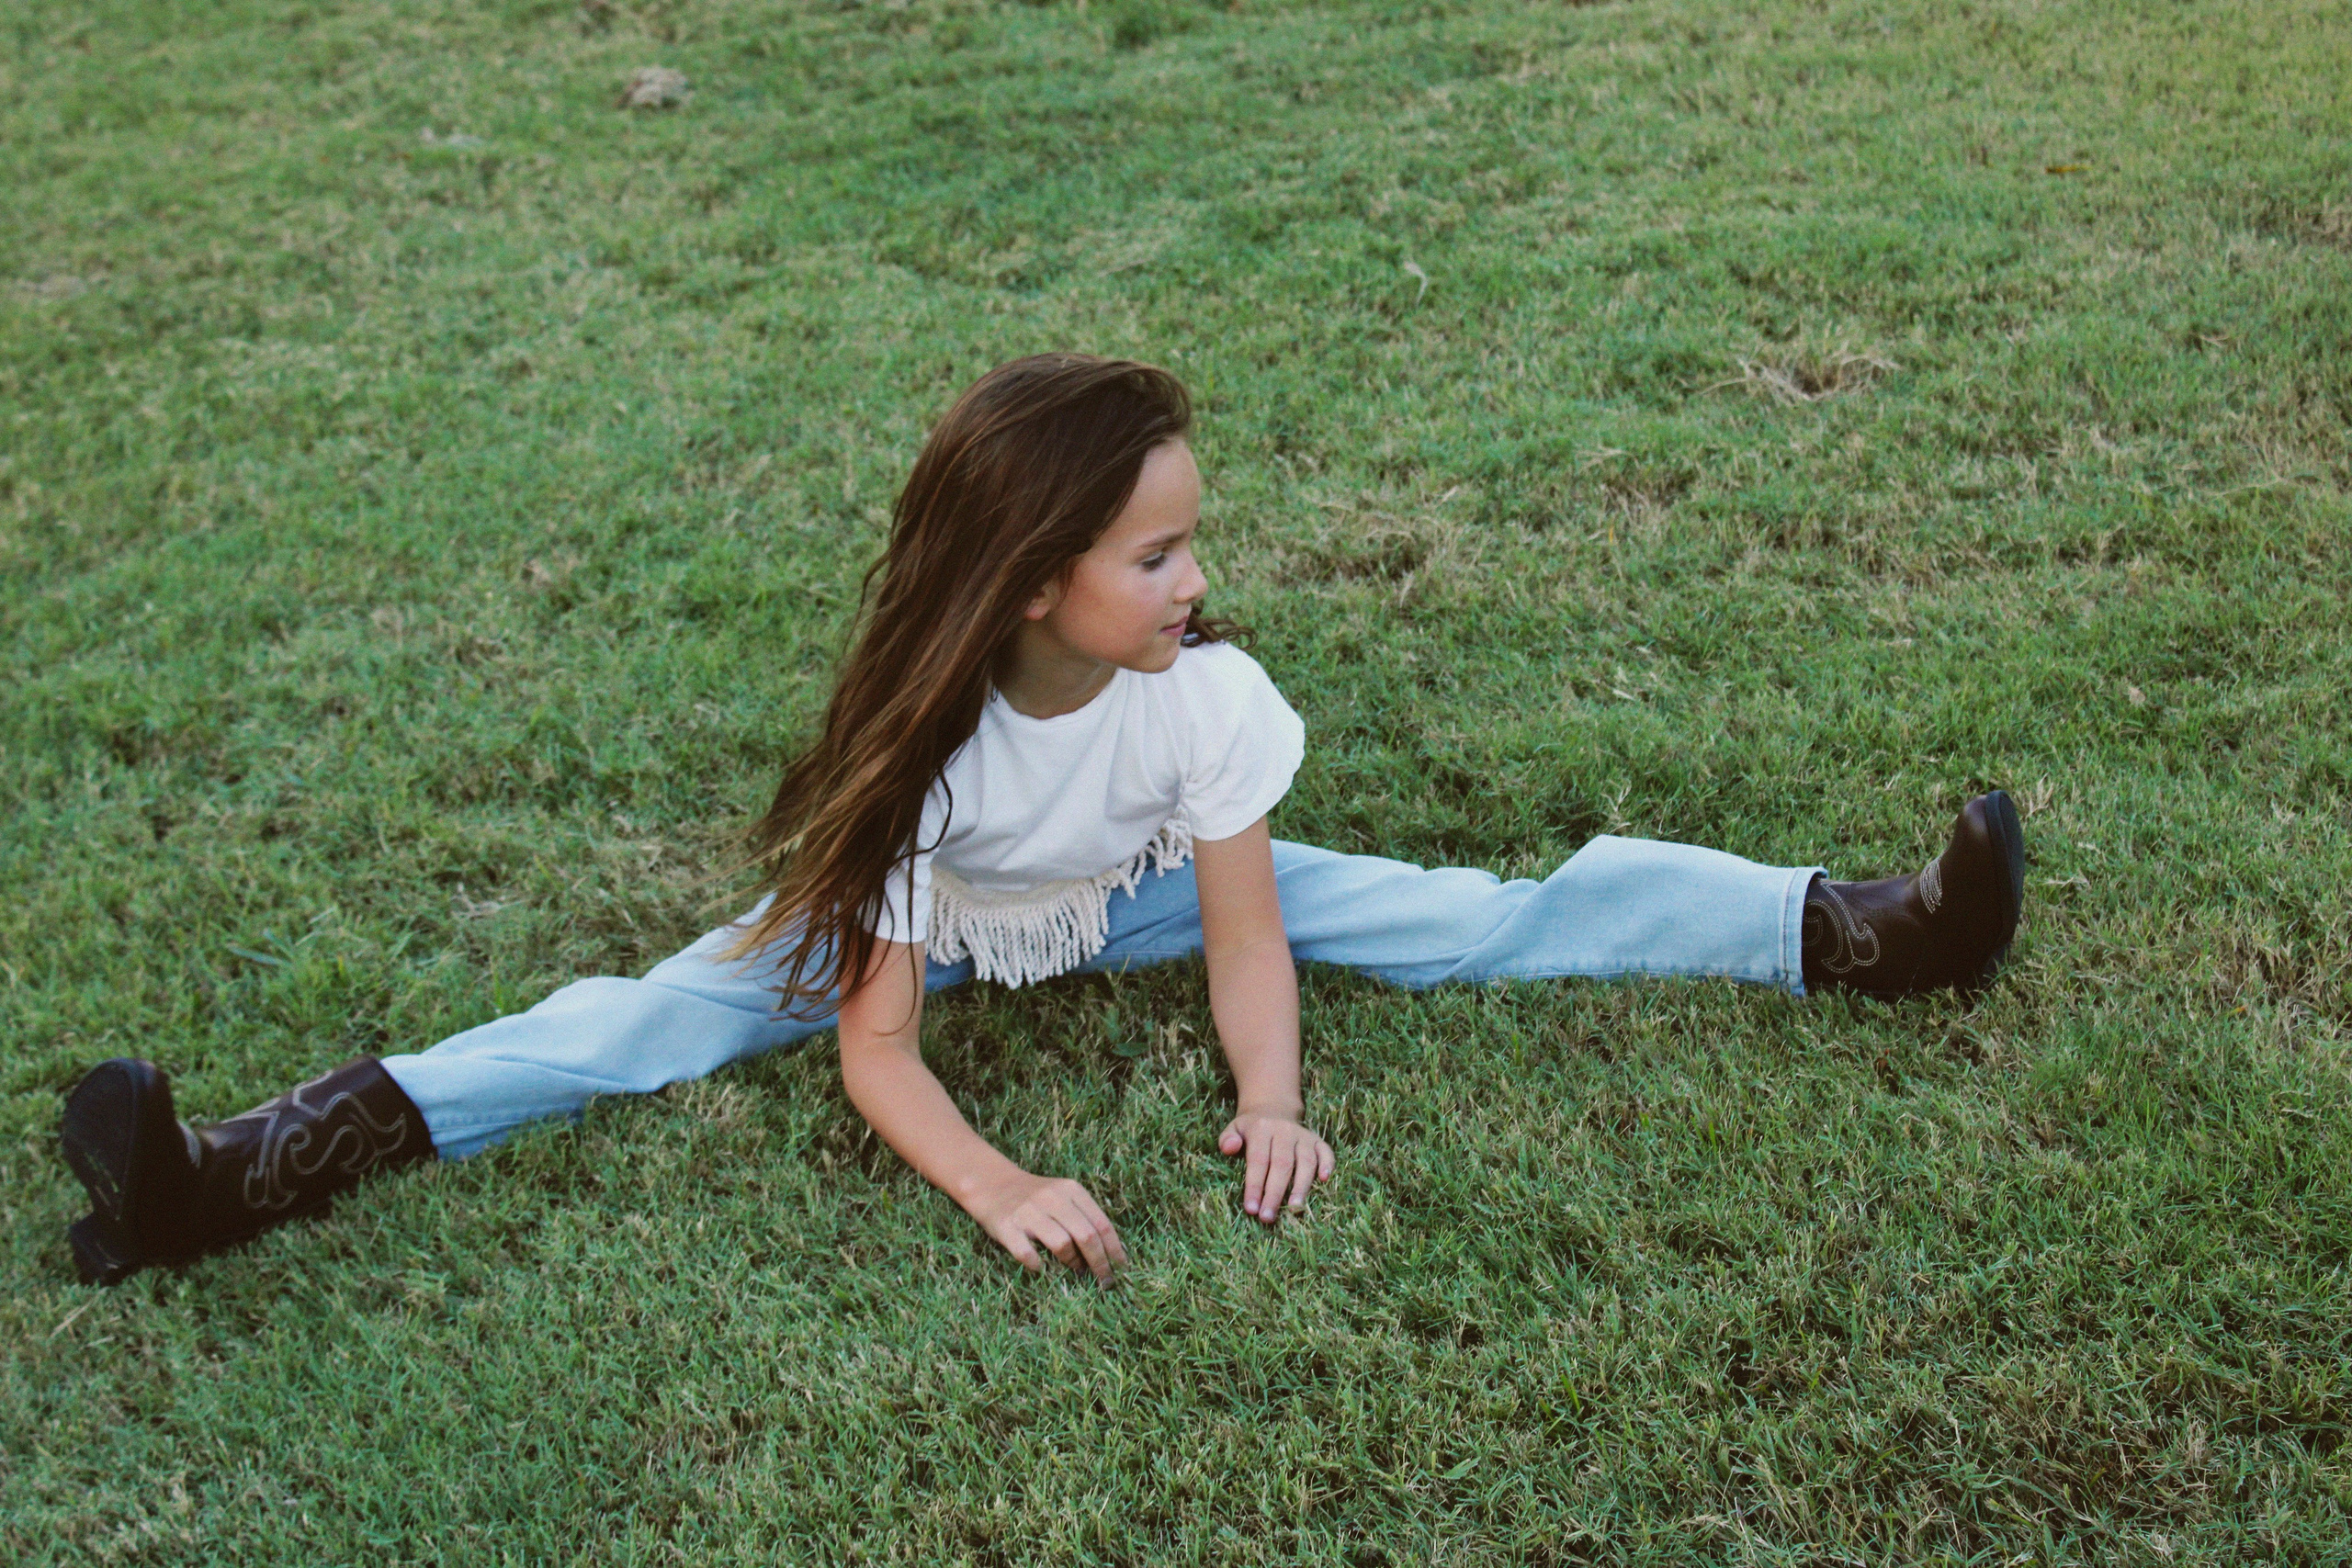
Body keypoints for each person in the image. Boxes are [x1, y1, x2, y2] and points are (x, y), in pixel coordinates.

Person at [55, 354, 2027, 1288]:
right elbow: (880, 1046)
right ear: (1025, 581)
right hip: (925, 920)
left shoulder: (1206, 694)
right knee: (629, 1019)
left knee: (1464, 911)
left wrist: (1272, 1095)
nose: (1195, 580)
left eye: (1189, 541)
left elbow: (1245, 927)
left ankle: (1853, 927)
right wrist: (998, 1183)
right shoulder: (928, 764)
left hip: (1138, 896)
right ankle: (229, 1172)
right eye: (1154, 556)